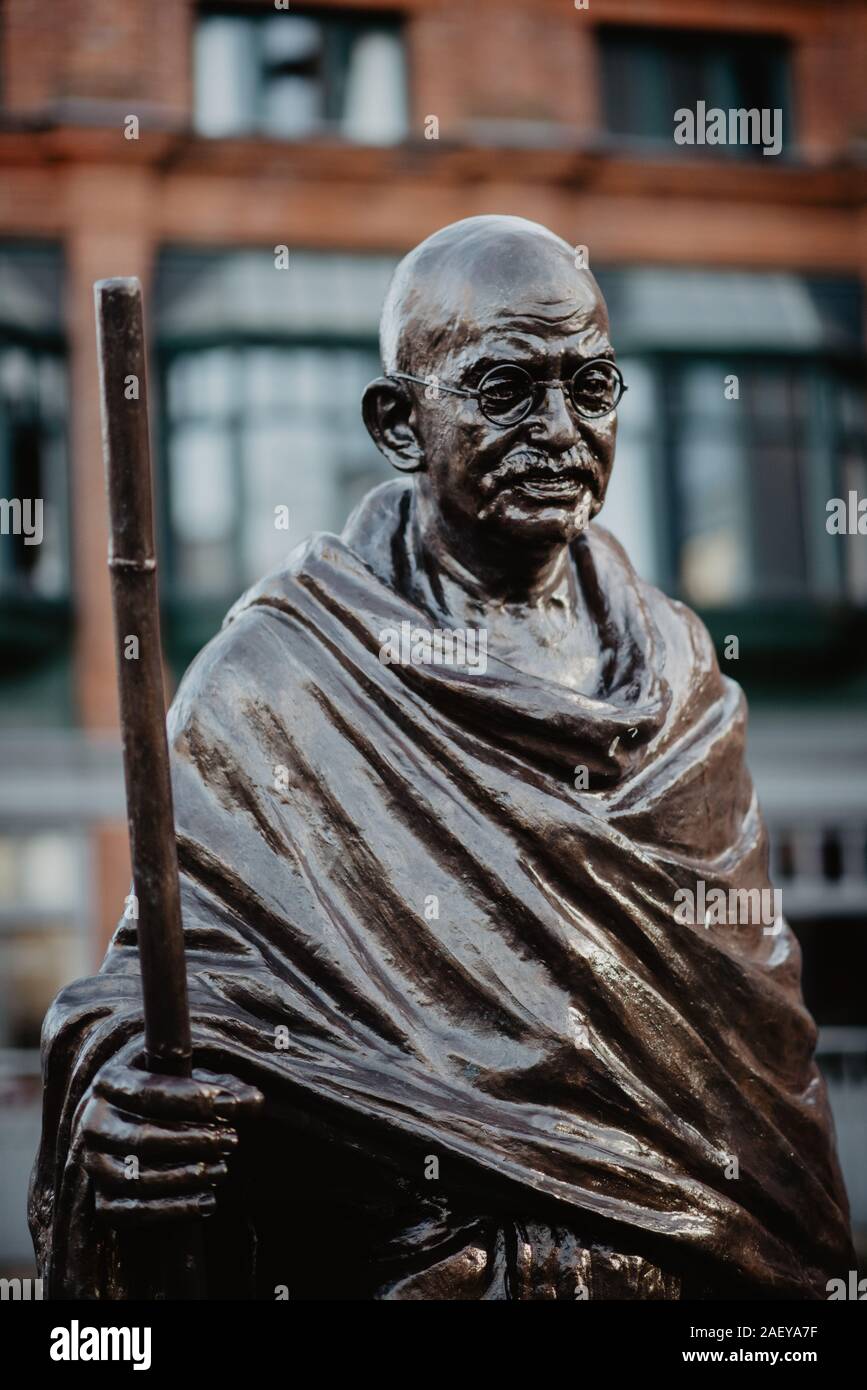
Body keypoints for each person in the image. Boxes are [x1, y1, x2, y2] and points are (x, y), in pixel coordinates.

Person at [31, 215, 853, 1299]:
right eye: (507, 389)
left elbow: (761, 1052)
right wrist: (123, 1101)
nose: (561, 429)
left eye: (592, 388)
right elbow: (159, 999)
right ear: (400, 423)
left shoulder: (680, 673)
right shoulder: (275, 681)